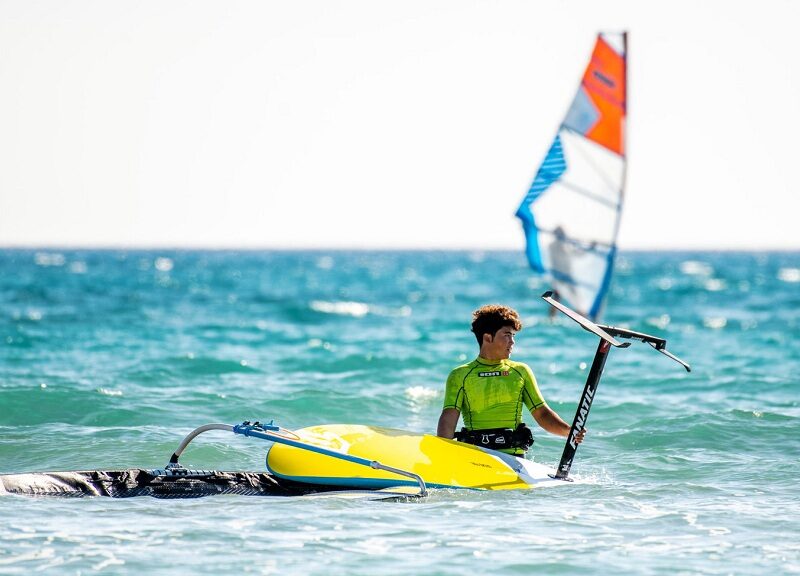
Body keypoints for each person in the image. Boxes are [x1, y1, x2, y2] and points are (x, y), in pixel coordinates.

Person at [436, 304, 585, 456]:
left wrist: (568, 431)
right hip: (475, 455)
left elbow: (542, 414)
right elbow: (448, 419)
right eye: (507, 335)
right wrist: (442, 455)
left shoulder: (520, 372)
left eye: (513, 336)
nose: (512, 342)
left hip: (514, 459)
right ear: (488, 337)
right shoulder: (460, 375)